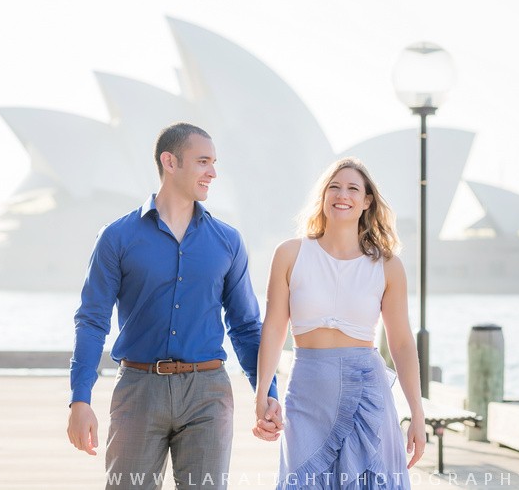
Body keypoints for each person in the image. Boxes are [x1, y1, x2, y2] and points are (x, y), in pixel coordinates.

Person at [67, 122, 281, 490]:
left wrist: (267, 393)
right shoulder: (117, 237)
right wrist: (79, 400)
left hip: (208, 393)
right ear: (170, 161)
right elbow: (92, 321)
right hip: (138, 389)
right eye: (202, 161)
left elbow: (246, 327)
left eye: (213, 162)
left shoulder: (228, 241)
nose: (213, 172)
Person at [253, 157, 425, 489]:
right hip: (306, 392)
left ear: (366, 201)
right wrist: (263, 392)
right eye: (334, 187)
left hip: (367, 392)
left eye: (352, 188)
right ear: (323, 196)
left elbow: (402, 344)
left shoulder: (387, 266)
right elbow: (273, 329)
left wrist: (417, 414)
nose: (342, 195)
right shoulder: (290, 254)